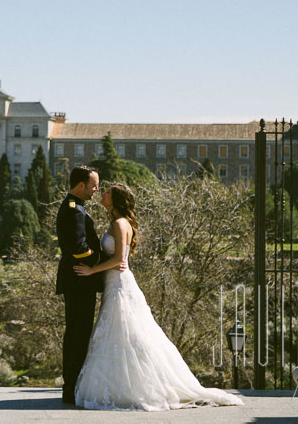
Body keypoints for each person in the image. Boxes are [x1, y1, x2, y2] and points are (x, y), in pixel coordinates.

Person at [73, 183, 244, 411]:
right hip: (114, 284)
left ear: (116, 200)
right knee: (122, 335)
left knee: (128, 335)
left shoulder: (119, 223)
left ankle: (139, 387)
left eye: (107, 192)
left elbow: (119, 261)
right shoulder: (116, 222)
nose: (102, 193)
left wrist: (91, 270)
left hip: (120, 285)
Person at [55, 165, 104, 405]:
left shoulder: (76, 207)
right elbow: (79, 248)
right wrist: (99, 262)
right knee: (78, 335)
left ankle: (72, 387)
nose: (97, 189)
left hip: (78, 280)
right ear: (81, 185)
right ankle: (71, 388)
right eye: (94, 185)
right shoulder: (74, 210)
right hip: (79, 279)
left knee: (77, 334)